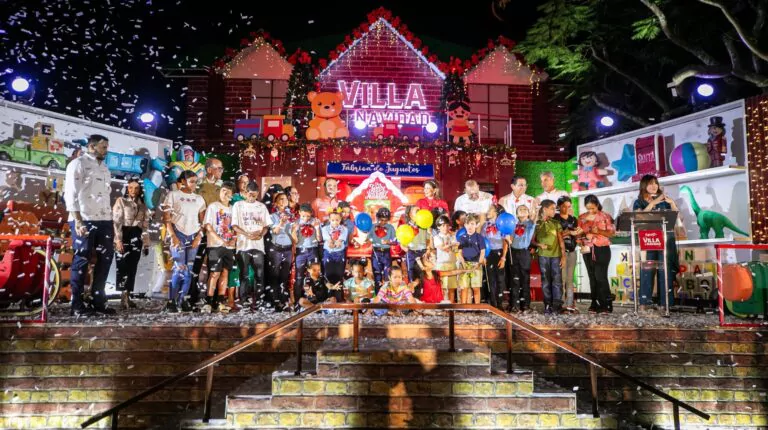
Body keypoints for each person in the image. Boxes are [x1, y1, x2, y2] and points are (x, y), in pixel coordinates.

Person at [64, 134, 116, 316]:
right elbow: (70, 194)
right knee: (82, 258)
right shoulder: (78, 164)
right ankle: (77, 305)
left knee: (106, 258)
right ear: (92, 147)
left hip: (104, 219)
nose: (106, 151)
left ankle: (98, 301)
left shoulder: (105, 168)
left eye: (107, 147)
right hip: (84, 218)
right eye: (103, 147)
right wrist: (78, 221)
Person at [162, 170, 207, 313]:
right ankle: (171, 300)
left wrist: (199, 237)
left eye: (196, 182)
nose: (194, 184)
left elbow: (204, 221)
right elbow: (166, 218)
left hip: (193, 236)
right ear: (182, 181)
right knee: (180, 268)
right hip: (178, 234)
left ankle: (182, 300)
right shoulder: (173, 195)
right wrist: (173, 236)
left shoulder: (199, 199)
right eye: (191, 181)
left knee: (189, 270)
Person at [633, 174, 679, 311]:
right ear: (644, 186)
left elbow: (676, 217)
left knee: (665, 270)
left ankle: (665, 303)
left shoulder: (665, 201)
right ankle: (644, 301)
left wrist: (672, 203)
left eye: (655, 183)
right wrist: (653, 203)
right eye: (650, 183)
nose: (654, 186)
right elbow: (639, 216)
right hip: (649, 238)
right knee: (647, 269)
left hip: (666, 237)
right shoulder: (639, 201)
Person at [231, 180, 272, 311]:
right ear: (245, 192)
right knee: (244, 274)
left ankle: (259, 300)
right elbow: (234, 225)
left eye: (254, 195)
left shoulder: (261, 207)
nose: (252, 197)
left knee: (259, 274)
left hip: (258, 245)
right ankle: (243, 301)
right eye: (250, 194)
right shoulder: (238, 205)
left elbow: (266, 225)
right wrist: (246, 234)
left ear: (258, 193)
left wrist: (261, 235)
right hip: (243, 245)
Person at [189, 157, 224, 305]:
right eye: (218, 168)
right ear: (209, 170)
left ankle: (213, 298)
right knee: (196, 263)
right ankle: (191, 296)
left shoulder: (223, 187)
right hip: (201, 230)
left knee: (214, 265)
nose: (221, 171)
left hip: (217, 232)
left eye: (222, 168)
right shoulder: (199, 186)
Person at [112, 179, 150, 310]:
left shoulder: (143, 205)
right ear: (127, 189)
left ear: (140, 190)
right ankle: (123, 297)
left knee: (132, 266)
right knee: (122, 265)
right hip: (124, 233)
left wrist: (146, 243)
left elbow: (145, 225)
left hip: (136, 235)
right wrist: (118, 240)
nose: (133, 190)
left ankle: (128, 295)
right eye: (130, 188)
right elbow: (116, 222)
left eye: (136, 188)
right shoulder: (121, 201)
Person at [201, 182, 237, 314]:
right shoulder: (213, 206)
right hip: (215, 245)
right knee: (214, 273)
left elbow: (236, 227)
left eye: (228, 191)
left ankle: (221, 301)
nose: (225, 194)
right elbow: (208, 226)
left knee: (225, 273)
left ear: (232, 194)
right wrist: (220, 240)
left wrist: (233, 239)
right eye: (223, 190)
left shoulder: (234, 209)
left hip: (229, 246)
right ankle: (209, 301)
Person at [578, 194, 615, 314]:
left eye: (593, 208)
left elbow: (611, 233)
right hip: (587, 250)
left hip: (602, 249)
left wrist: (598, 231)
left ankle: (606, 304)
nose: (590, 210)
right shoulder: (582, 218)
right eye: (588, 208)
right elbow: (578, 234)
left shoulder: (605, 216)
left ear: (597, 205)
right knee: (592, 277)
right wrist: (582, 237)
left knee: (600, 276)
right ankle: (594, 303)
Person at [532, 199, 566, 315]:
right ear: (545, 209)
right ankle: (547, 304)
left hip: (556, 255)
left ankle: (557, 305)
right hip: (543, 256)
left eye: (555, 208)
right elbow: (532, 241)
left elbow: (561, 241)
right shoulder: (537, 224)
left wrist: (563, 256)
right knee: (545, 281)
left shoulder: (556, 223)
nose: (554, 211)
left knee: (557, 280)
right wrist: (539, 245)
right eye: (552, 208)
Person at [267, 192, 295, 311]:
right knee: (275, 275)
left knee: (284, 276)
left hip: (288, 249)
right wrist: (281, 222)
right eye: (281, 199)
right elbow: (275, 231)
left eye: (285, 199)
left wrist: (294, 248)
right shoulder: (272, 216)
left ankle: (284, 301)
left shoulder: (291, 216)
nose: (284, 201)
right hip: (276, 249)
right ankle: (275, 301)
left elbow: (293, 233)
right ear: (276, 203)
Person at [507, 205, 536, 312]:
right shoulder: (513, 225)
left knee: (525, 279)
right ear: (517, 214)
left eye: (525, 209)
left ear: (528, 213)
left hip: (524, 252)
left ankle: (526, 305)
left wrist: (536, 209)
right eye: (520, 210)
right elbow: (510, 238)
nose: (523, 211)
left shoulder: (530, 223)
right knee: (514, 279)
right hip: (514, 252)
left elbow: (535, 218)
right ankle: (514, 304)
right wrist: (508, 239)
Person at [555, 196, 581, 313]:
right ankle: (560, 304)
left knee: (570, 279)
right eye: (564, 206)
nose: (566, 209)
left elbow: (577, 234)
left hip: (572, 250)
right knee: (561, 279)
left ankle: (570, 304)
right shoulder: (555, 219)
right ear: (559, 206)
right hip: (560, 252)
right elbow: (556, 235)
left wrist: (578, 234)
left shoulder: (573, 219)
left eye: (569, 206)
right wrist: (568, 232)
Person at [293, 204, 321, 305]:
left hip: (313, 250)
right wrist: (295, 230)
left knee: (314, 275)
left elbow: (319, 239)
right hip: (301, 251)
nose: (306, 218)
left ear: (311, 214)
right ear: (299, 212)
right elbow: (295, 241)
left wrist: (317, 228)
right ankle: (297, 302)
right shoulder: (296, 223)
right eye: (303, 216)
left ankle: (314, 300)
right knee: (299, 277)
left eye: (308, 216)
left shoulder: (315, 221)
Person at [482, 204, 507, 310]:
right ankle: (493, 304)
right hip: (488, 253)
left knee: (500, 279)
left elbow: (505, 242)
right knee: (490, 279)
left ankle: (500, 303)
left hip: (499, 253)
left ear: (496, 212)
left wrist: (503, 257)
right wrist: (483, 256)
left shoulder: (502, 224)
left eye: (490, 210)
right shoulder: (485, 225)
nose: (488, 211)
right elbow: (482, 241)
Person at [457, 214, 486, 304]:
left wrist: (479, 263)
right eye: (468, 224)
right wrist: (463, 263)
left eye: (472, 224)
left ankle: (477, 307)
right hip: (464, 265)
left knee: (476, 287)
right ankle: (463, 307)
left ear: (476, 225)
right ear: (465, 225)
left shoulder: (479, 237)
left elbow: (482, 252)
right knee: (464, 287)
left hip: (476, 265)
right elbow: (459, 252)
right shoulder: (462, 238)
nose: (470, 226)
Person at [404, 205, 431, 289]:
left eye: (419, 210)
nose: (419, 213)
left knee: (423, 275)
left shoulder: (424, 226)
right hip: (411, 253)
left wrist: (428, 249)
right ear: (410, 214)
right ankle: (412, 294)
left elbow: (428, 239)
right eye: (416, 211)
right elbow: (402, 241)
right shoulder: (406, 227)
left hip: (422, 253)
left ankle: (423, 294)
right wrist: (404, 247)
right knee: (411, 275)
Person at [433, 215, 458, 302]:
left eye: (447, 225)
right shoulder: (436, 237)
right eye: (443, 225)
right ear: (438, 227)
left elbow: (455, 248)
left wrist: (453, 246)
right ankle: (443, 305)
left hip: (452, 263)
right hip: (442, 264)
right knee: (442, 287)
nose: (445, 228)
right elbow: (443, 248)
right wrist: (452, 245)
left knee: (452, 287)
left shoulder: (453, 236)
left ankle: (451, 306)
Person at [321, 209, 349, 288]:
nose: (335, 222)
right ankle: (329, 292)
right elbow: (328, 240)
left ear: (340, 219)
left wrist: (337, 242)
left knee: (339, 274)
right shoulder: (324, 229)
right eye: (333, 220)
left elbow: (339, 241)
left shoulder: (344, 229)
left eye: (337, 220)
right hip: (328, 253)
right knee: (328, 273)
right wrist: (330, 242)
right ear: (329, 219)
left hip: (339, 254)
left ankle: (338, 292)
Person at [370, 207, 395, 293]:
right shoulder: (373, 227)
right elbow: (367, 239)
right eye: (381, 220)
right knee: (377, 277)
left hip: (386, 253)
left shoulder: (391, 228)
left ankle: (388, 296)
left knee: (388, 277)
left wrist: (389, 242)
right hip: (375, 253)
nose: (383, 222)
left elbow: (396, 241)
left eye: (385, 220)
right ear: (377, 218)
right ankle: (378, 297)